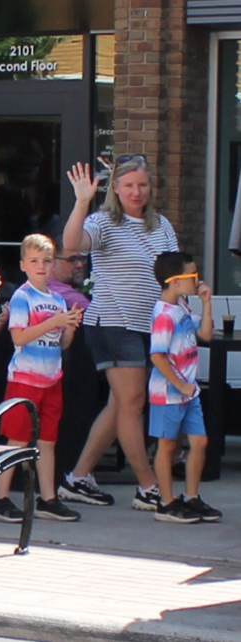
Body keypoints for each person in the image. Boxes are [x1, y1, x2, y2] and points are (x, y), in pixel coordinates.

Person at [58, 158, 178, 511]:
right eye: (128, 186)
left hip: (152, 325)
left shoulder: (163, 226)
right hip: (113, 322)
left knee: (120, 405)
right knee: (133, 402)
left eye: (142, 185)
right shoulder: (103, 221)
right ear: (115, 189)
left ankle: (78, 478)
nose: (136, 192)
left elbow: (171, 273)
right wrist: (82, 201)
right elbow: (72, 244)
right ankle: (148, 487)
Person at [0, 234, 83, 523]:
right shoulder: (22, 297)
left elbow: (62, 343)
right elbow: (18, 336)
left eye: (46, 261)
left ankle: (48, 498)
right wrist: (53, 323)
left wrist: (69, 328)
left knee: (47, 441)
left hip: (51, 378)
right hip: (24, 380)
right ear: (23, 265)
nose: (41, 266)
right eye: (34, 261)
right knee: (16, 439)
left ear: (53, 265)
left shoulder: (58, 300)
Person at [146, 252, 222, 523]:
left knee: (199, 441)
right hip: (168, 392)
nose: (197, 280)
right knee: (167, 446)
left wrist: (206, 304)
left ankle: (191, 497)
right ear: (175, 281)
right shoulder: (164, 314)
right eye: (192, 276)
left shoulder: (182, 307)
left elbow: (204, 335)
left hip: (189, 390)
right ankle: (166, 502)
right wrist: (179, 383)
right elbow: (157, 355)